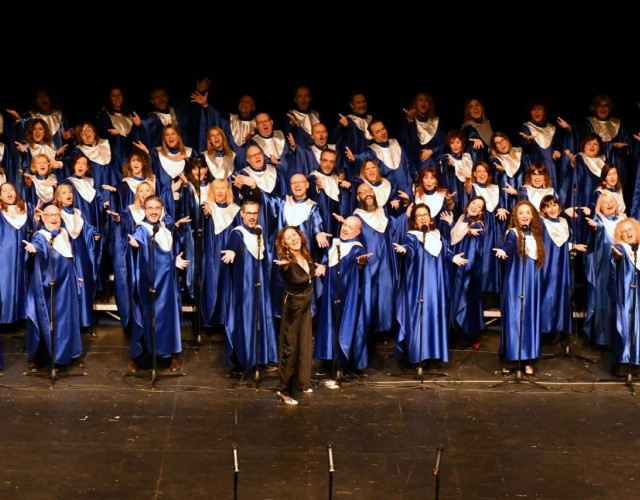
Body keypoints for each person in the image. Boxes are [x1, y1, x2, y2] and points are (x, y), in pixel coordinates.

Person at [394, 204, 466, 369]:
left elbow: (445, 252)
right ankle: (418, 355)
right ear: (414, 221)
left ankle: (433, 353)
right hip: (417, 286)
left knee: (434, 316)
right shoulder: (411, 236)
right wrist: (404, 250)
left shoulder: (437, 235)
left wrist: (452, 258)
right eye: (418, 216)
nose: (422, 217)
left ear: (430, 217)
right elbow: (410, 248)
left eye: (425, 214)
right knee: (418, 317)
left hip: (436, 286)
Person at [126, 195, 189, 373]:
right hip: (151, 285)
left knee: (169, 318)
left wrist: (173, 260)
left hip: (167, 284)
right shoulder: (141, 230)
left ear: (162, 210)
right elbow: (146, 259)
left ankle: (170, 356)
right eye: (150, 208)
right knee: (149, 319)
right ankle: (139, 358)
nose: (154, 212)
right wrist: (136, 247)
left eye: (157, 208)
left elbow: (165, 254)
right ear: (144, 210)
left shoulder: (164, 228)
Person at [221, 200, 278, 376]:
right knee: (246, 320)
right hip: (245, 287)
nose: (252, 217)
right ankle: (246, 360)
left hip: (260, 286)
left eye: (255, 213)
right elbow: (234, 246)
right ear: (242, 214)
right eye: (249, 213)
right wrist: (231, 251)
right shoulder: (237, 234)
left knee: (263, 319)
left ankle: (261, 358)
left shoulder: (259, 232)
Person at [23, 204, 83, 372]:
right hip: (50, 288)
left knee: (66, 321)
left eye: (56, 214)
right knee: (46, 320)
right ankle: (39, 357)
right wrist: (34, 249)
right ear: (43, 218)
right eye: (49, 215)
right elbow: (39, 247)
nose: (54, 218)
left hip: (66, 285)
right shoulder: (40, 236)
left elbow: (69, 257)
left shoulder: (63, 233)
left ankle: (66, 354)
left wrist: (76, 274)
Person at [273, 226, 326, 405]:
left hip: (306, 304)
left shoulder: (305, 254)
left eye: (294, 235)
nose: (293, 239)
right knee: (291, 346)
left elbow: (310, 274)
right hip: (293, 306)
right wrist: (285, 265)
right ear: (284, 243)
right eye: (289, 238)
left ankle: (302, 382)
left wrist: (320, 267)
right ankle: (284, 390)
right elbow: (285, 269)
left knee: (305, 342)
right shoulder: (286, 261)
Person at [313, 216, 371, 376]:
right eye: (345, 224)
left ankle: (343, 363)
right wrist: (323, 267)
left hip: (346, 296)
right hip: (330, 294)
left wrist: (361, 264)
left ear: (357, 232)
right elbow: (327, 262)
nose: (345, 228)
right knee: (329, 324)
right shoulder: (334, 245)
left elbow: (358, 269)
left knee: (343, 324)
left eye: (351, 227)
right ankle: (328, 360)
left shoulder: (357, 249)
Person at [493, 200, 546, 376]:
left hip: (532, 283)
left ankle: (528, 359)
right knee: (514, 318)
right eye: (521, 212)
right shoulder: (513, 233)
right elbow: (510, 243)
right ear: (515, 216)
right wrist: (504, 250)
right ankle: (511, 359)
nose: (524, 215)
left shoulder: (537, 235)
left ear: (532, 216)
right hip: (515, 282)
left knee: (529, 317)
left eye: (527, 212)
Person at [53, 184, 100, 337]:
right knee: (70, 288)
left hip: (81, 253)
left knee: (84, 286)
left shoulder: (78, 213)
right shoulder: (57, 214)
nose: (68, 194)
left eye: (70, 192)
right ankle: (69, 323)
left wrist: (94, 232)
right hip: (66, 254)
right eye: (64, 192)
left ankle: (86, 322)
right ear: (58, 197)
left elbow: (86, 228)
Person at [539, 194, 586, 344]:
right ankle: (545, 330)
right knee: (546, 295)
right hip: (546, 265)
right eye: (548, 206)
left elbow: (565, 244)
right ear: (543, 210)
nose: (552, 208)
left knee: (562, 294)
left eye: (554, 205)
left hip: (563, 265)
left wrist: (575, 246)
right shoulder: (541, 223)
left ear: (560, 207)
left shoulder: (565, 222)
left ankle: (560, 329)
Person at [583, 191, 625, 348]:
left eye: (611, 201)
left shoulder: (623, 219)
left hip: (622, 269)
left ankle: (620, 337)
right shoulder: (597, 220)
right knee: (604, 301)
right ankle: (603, 339)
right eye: (605, 202)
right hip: (603, 268)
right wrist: (597, 230)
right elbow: (593, 246)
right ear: (599, 206)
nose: (609, 204)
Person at [444, 196, 486, 349]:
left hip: (467, 269)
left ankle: (467, 336)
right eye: (473, 203)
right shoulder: (462, 218)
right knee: (454, 299)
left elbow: (475, 249)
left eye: (479, 206)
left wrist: (466, 271)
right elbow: (456, 239)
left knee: (465, 301)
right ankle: (455, 333)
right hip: (456, 266)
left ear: (481, 211)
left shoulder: (478, 225)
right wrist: (452, 224)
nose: (475, 206)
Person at [609, 218, 640, 376]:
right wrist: (617, 257)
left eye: (631, 230)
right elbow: (616, 258)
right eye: (624, 231)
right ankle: (624, 361)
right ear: (620, 236)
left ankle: (637, 362)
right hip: (626, 297)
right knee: (626, 325)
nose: (628, 233)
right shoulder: (620, 248)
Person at [400, 90, 446, 171]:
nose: (423, 103)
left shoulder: (436, 122)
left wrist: (432, 151)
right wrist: (410, 121)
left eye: (426, 100)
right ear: (415, 103)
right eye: (420, 100)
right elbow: (405, 142)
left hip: (433, 163)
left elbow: (442, 143)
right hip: (416, 164)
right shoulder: (410, 120)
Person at [461, 97, 493, 165]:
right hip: (479, 162)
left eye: (477, 105)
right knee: (475, 144)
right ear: (468, 111)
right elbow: (470, 133)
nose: (475, 108)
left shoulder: (488, 124)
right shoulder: (468, 126)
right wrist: (475, 138)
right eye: (471, 107)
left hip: (491, 158)